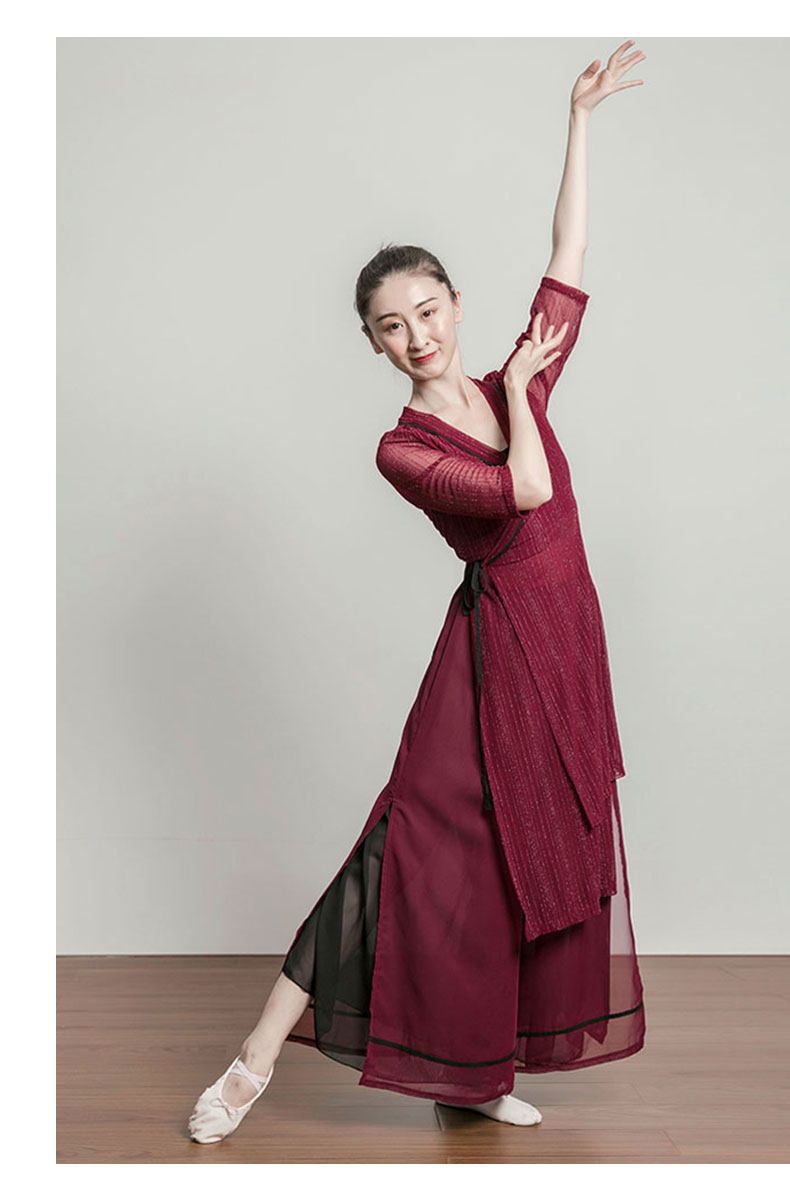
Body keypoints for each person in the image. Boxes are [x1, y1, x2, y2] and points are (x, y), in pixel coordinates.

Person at [188, 39, 648, 1144]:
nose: (418, 336)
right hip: (485, 665)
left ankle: (473, 1072)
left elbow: (570, 254)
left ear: (455, 304)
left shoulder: (511, 377)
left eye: (430, 310)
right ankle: (253, 1062)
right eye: (392, 326)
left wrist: (579, 118)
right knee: (397, 853)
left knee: (515, 864)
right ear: (373, 343)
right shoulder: (403, 447)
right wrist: (525, 392)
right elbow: (525, 489)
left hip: (562, 645)